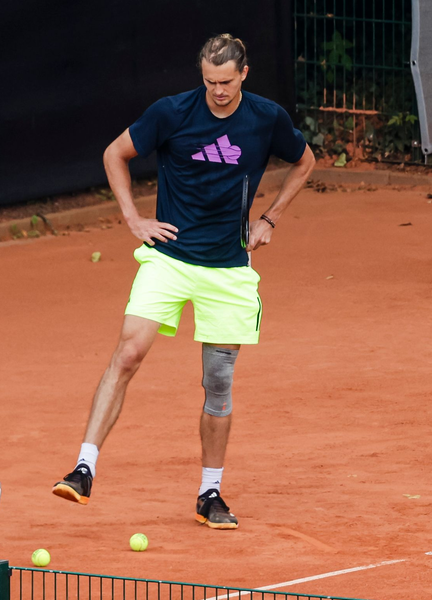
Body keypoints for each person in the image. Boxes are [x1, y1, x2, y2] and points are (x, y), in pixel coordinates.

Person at [52, 34, 316, 529]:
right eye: (210, 81)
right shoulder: (171, 113)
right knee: (129, 351)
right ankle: (84, 467)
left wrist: (271, 218)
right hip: (168, 259)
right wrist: (133, 219)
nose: (217, 91)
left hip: (229, 269)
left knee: (218, 383)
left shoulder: (266, 118)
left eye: (226, 82)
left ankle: (209, 493)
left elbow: (305, 162)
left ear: (244, 74)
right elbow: (115, 154)